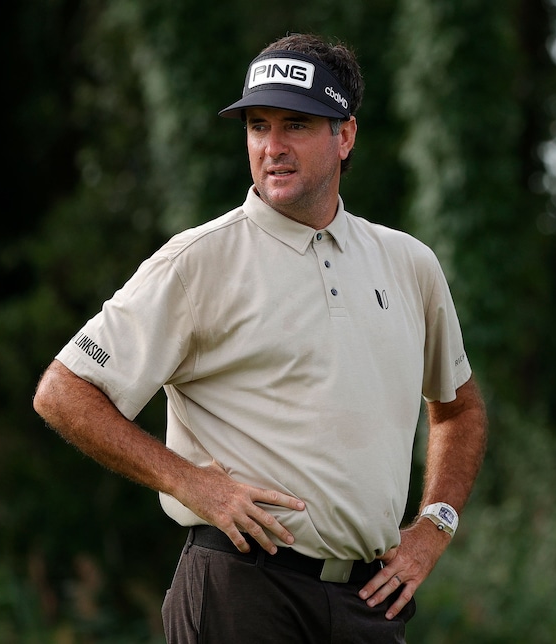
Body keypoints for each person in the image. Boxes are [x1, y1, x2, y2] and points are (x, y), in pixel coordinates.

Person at [33, 32, 487, 643]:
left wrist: (434, 527)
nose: (272, 147)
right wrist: (187, 480)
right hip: (240, 590)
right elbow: (64, 390)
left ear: (345, 135)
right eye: (257, 126)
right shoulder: (196, 261)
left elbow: (458, 410)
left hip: (368, 603)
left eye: (296, 125)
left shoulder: (409, 263)